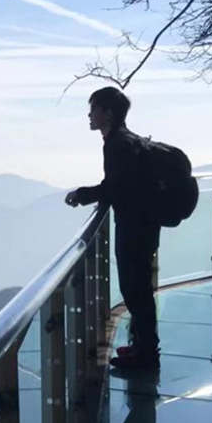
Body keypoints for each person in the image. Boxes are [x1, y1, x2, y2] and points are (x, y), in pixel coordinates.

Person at [65, 86, 161, 371]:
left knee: (135, 290)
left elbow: (115, 188)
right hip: (144, 223)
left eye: (93, 108)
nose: (89, 114)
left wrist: (81, 195)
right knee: (138, 288)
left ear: (107, 112)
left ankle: (146, 355)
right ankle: (142, 348)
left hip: (134, 227)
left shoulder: (118, 143)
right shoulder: (127, 141)